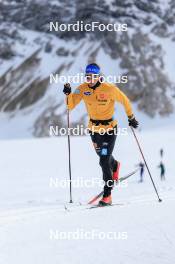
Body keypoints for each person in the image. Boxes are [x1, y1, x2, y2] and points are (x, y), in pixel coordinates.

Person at [63, 63, 139, 206]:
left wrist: (131, 118)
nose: (89, 79)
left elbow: (125, 101)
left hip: (109, 129)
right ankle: (115, 165)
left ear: (98, 76)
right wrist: (68, 94)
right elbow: (70, 106)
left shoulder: (109, 89)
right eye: (87, 76)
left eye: (92, 76)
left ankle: (107, 195)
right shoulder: (82, 89)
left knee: (103, 160)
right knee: (104, 157)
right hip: (94, 130)